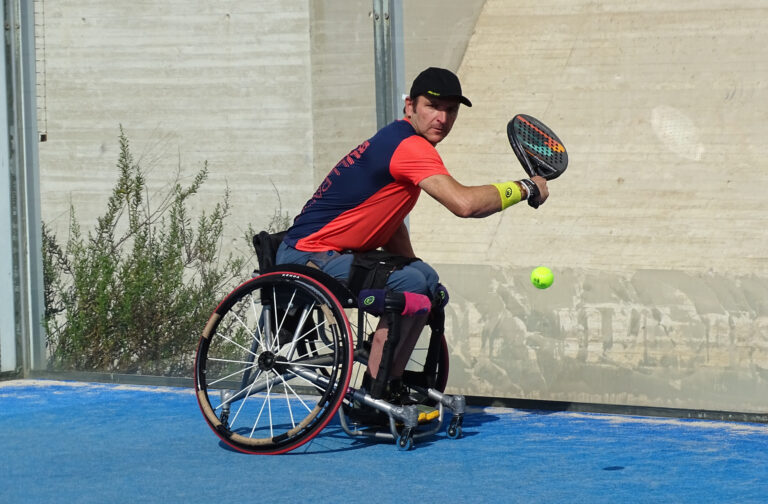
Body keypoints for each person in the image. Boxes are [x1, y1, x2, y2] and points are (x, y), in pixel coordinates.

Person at [276, 67, 549, 400]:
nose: (442, 117)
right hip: (307, 256)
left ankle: (389, 382)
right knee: (409, 285)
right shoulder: (408, 146)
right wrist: (525, 188)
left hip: (326, 253)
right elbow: (464, 204)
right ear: (410, 106)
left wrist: (416, 270)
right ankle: (376, 396)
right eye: (433, 106)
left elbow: (390, 226)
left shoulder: (399, 139)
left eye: (451, 110)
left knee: (423, 279)